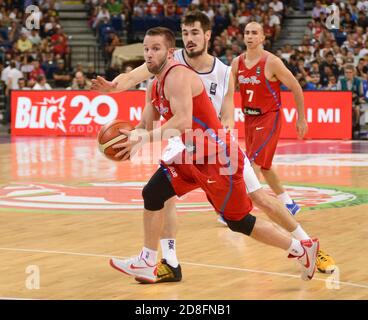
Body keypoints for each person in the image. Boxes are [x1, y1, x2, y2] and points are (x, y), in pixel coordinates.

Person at [92, 12, 335, 283]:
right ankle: (150, 260)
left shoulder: (198, 73)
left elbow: (191, 119)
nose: (149, 54)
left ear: (205, 36)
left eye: (155, 49)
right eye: (146, 49)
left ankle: (303, 248)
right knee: (154, 193)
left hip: (217, 155)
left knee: (241, 220)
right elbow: (141, 109)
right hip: (190, 151)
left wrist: (146, 139)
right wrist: (131, 138)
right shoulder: (156, 81)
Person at [231, 22, 307, 216]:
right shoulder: (237, 63)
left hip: (268, 118)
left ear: (263, 38)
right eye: (247, 32)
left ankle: (241, 210)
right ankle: (288, 203)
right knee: (265, 166)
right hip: (249, 118)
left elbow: (296, 87)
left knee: (252, 165)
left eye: (254, 33)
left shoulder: (271, 62)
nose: (249, 36)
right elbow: (227, 92)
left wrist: (301, 118)